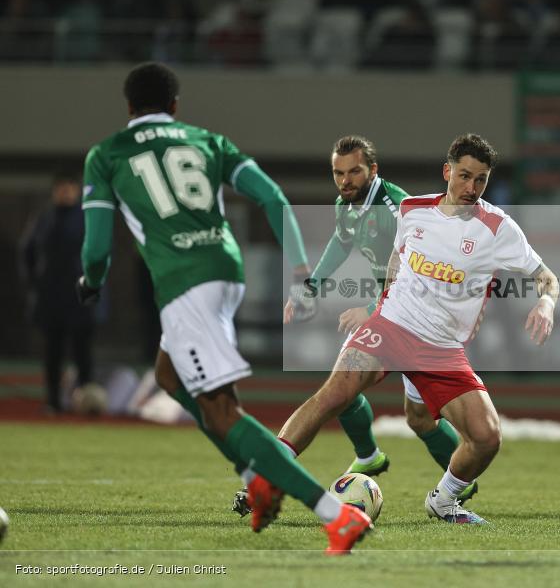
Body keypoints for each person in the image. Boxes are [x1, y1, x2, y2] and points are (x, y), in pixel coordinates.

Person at [76, 61, 370, 554]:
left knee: (221, 409)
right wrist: (299, 271)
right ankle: (256, 475)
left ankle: (334, 515)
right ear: (174, 107)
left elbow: (97, 251)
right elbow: (273, 197)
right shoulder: (208, 140)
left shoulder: (105, 155)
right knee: (169, 377)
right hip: (224, 269)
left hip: (184, 284)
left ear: (129, 108)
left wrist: (91, 282)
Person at [275, 133, 558, 524]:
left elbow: (547, 277)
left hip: (441, 348)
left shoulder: (497, 228)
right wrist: (379, 306)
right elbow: (395, 260)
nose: (470, 188)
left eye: (480, 180)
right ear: (447, 172)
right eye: (463, 176)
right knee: (334, 394)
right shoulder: (413, 209)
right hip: (392, 327)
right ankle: (267, 476)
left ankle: (444, 501)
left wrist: (545, 302)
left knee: (486, 437)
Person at [233, 135, 477, 516]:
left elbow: (426, 269)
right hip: (390, 317)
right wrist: (312, 285)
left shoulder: (398, 208)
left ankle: (461, 479)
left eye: (354, 172)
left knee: (419, 418)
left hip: (424, 321)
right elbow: (342, 241)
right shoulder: (347, 205)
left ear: (373, 171)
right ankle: (343, 460)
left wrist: (369, 306)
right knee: (335, 393)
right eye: (338, 173)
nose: (345, 181)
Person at [20, 173, 95, 413]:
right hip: (51, 297)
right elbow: (27, 251)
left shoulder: (87, 218)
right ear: (55, 191)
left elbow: (99, 254)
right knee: (53, 352)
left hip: (80, 295)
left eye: (70, 188)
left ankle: (85, 402)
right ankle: (53, 401)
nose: (66, 192)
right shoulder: (44, 218)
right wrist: (35, 282)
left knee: (83, 352)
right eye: (62, 188)